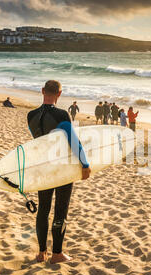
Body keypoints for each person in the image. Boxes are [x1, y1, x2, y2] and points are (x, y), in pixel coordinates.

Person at [27, 80, 91, 264]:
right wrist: (85, 164)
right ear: (59, 94)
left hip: (42, 167)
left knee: (43, 210)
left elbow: (39, 140)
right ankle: (57, 254)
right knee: (60, 210)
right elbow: (73, 141)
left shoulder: (31, 115)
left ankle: (41, 253)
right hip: (61, 168)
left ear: (42, 91)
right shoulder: (62, 115)